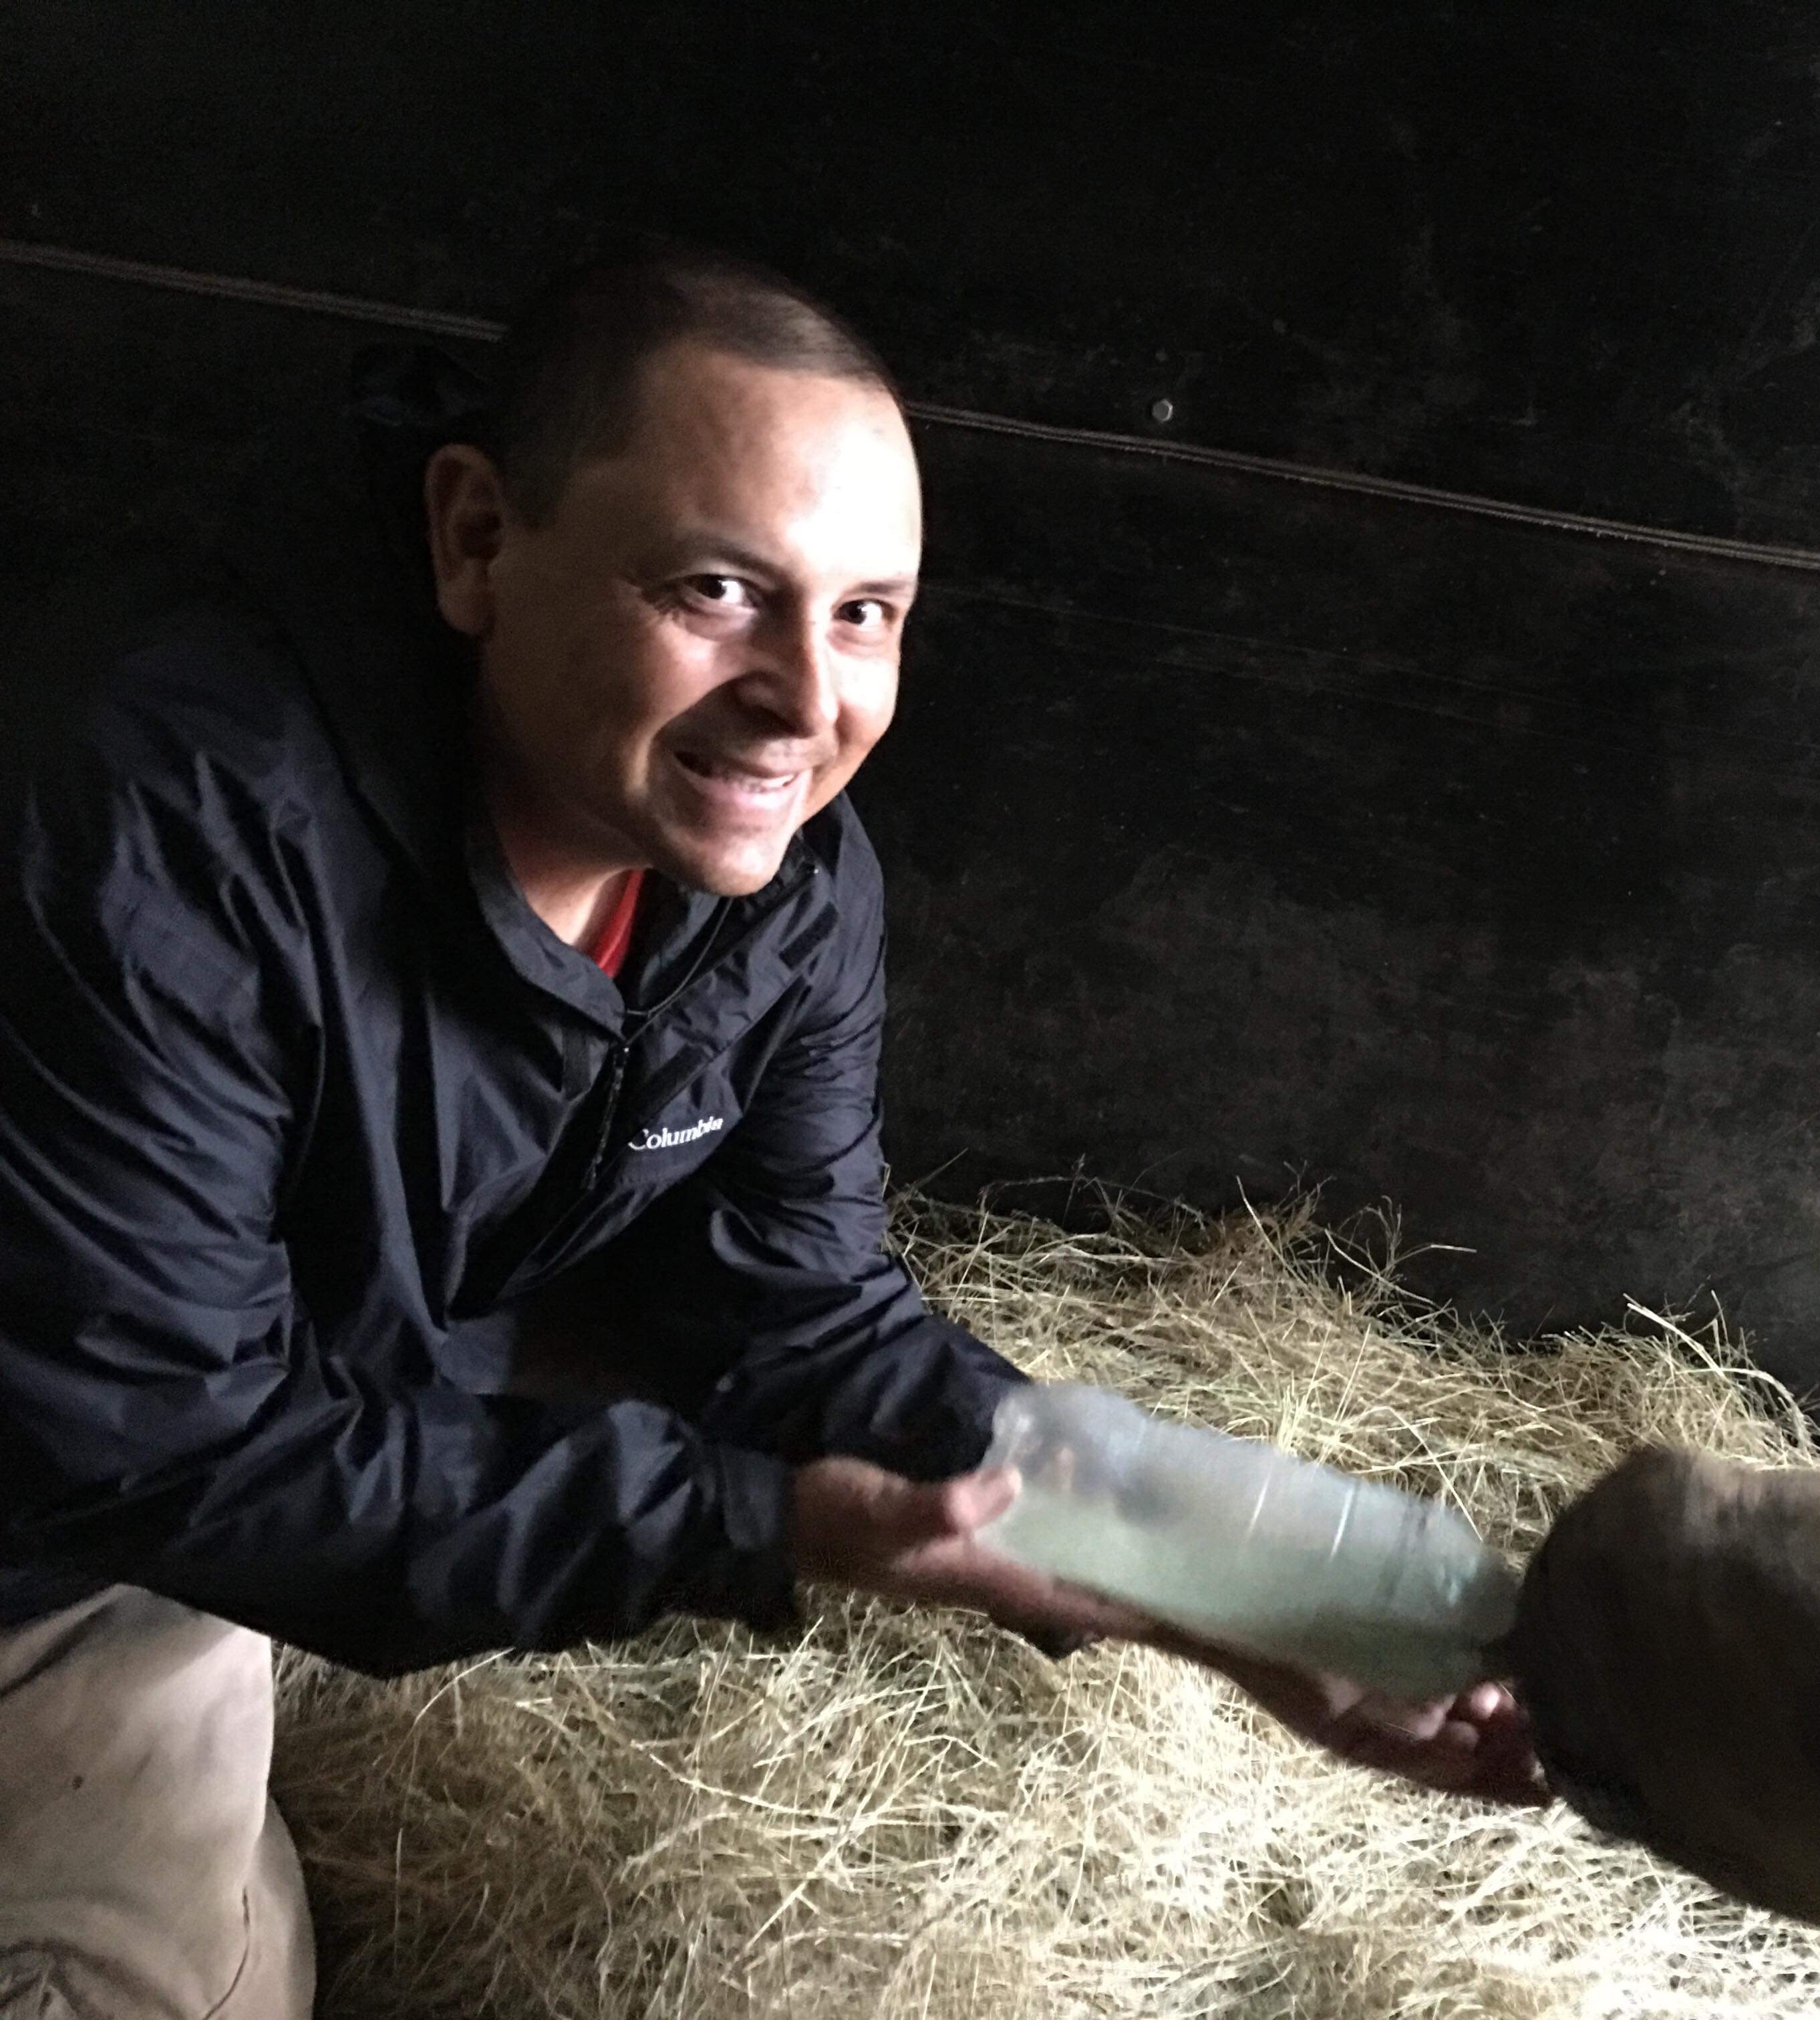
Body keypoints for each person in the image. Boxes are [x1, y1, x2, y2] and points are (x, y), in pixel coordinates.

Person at [0, 246, 1541, 2019]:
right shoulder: (168, 831)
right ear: (476, 539)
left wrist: (1240, 1604)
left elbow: (797, 1315)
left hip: (306, 1403)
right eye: (720, 590)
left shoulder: (780, 887)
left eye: (867, 612)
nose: (809, 700)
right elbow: (151, 1451)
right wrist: (742, 1520)